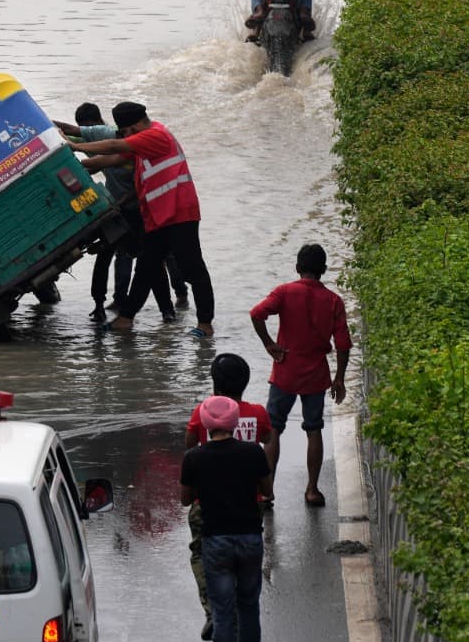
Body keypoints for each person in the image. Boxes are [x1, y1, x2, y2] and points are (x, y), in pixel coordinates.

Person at [70, 101, 215, 336]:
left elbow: (114, 145)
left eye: (126, 131)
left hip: (180, 213)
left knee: (192, 268)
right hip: (159, 217)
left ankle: (205, 324)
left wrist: (71, 145)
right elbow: (113, 159)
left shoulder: (156, 135)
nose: (125, 136)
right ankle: (125, 318)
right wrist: (75, 164)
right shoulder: (143, 141)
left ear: (137, 125)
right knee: (146, 267)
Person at [180, 396, 272, 642]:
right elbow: (267, 490)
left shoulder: (194, 457)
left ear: (205, 425)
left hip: (216, 542)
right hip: (249, 539)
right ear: (235, 424)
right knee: (249, 609)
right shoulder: (254, 453)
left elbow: (185, 499)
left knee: (222, 614)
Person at [56, 103, 186, 321]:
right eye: (124, 135)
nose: (127, 138)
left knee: (154, 261)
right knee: (108, 255)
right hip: (116, 209)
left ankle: (170, 306)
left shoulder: (137, 145)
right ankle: (103, 303)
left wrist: (122, 201)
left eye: (128, 135)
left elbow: (137, 183)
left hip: (141, 211)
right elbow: (104, 157)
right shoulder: (104, 134)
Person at [249, 244, 352, 508]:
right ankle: (312, 489)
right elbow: (343, 344)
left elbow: (256, 314)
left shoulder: (285, 291)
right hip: (316, 374)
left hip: (285, 369)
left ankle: (267, 491)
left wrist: (269, 344)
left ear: (297, 269)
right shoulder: (333, 301)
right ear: (324, 271)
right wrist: (339, 378)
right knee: (314, 428)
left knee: (273, 429)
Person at [184, 354, 272, 642]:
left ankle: (213, 609)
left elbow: (188, 446)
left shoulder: (202, 413)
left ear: (214, 384)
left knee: (201, 553)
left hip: (206, 505)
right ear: (245, 383)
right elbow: (268, 439)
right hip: (249, 503)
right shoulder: (258, 413)